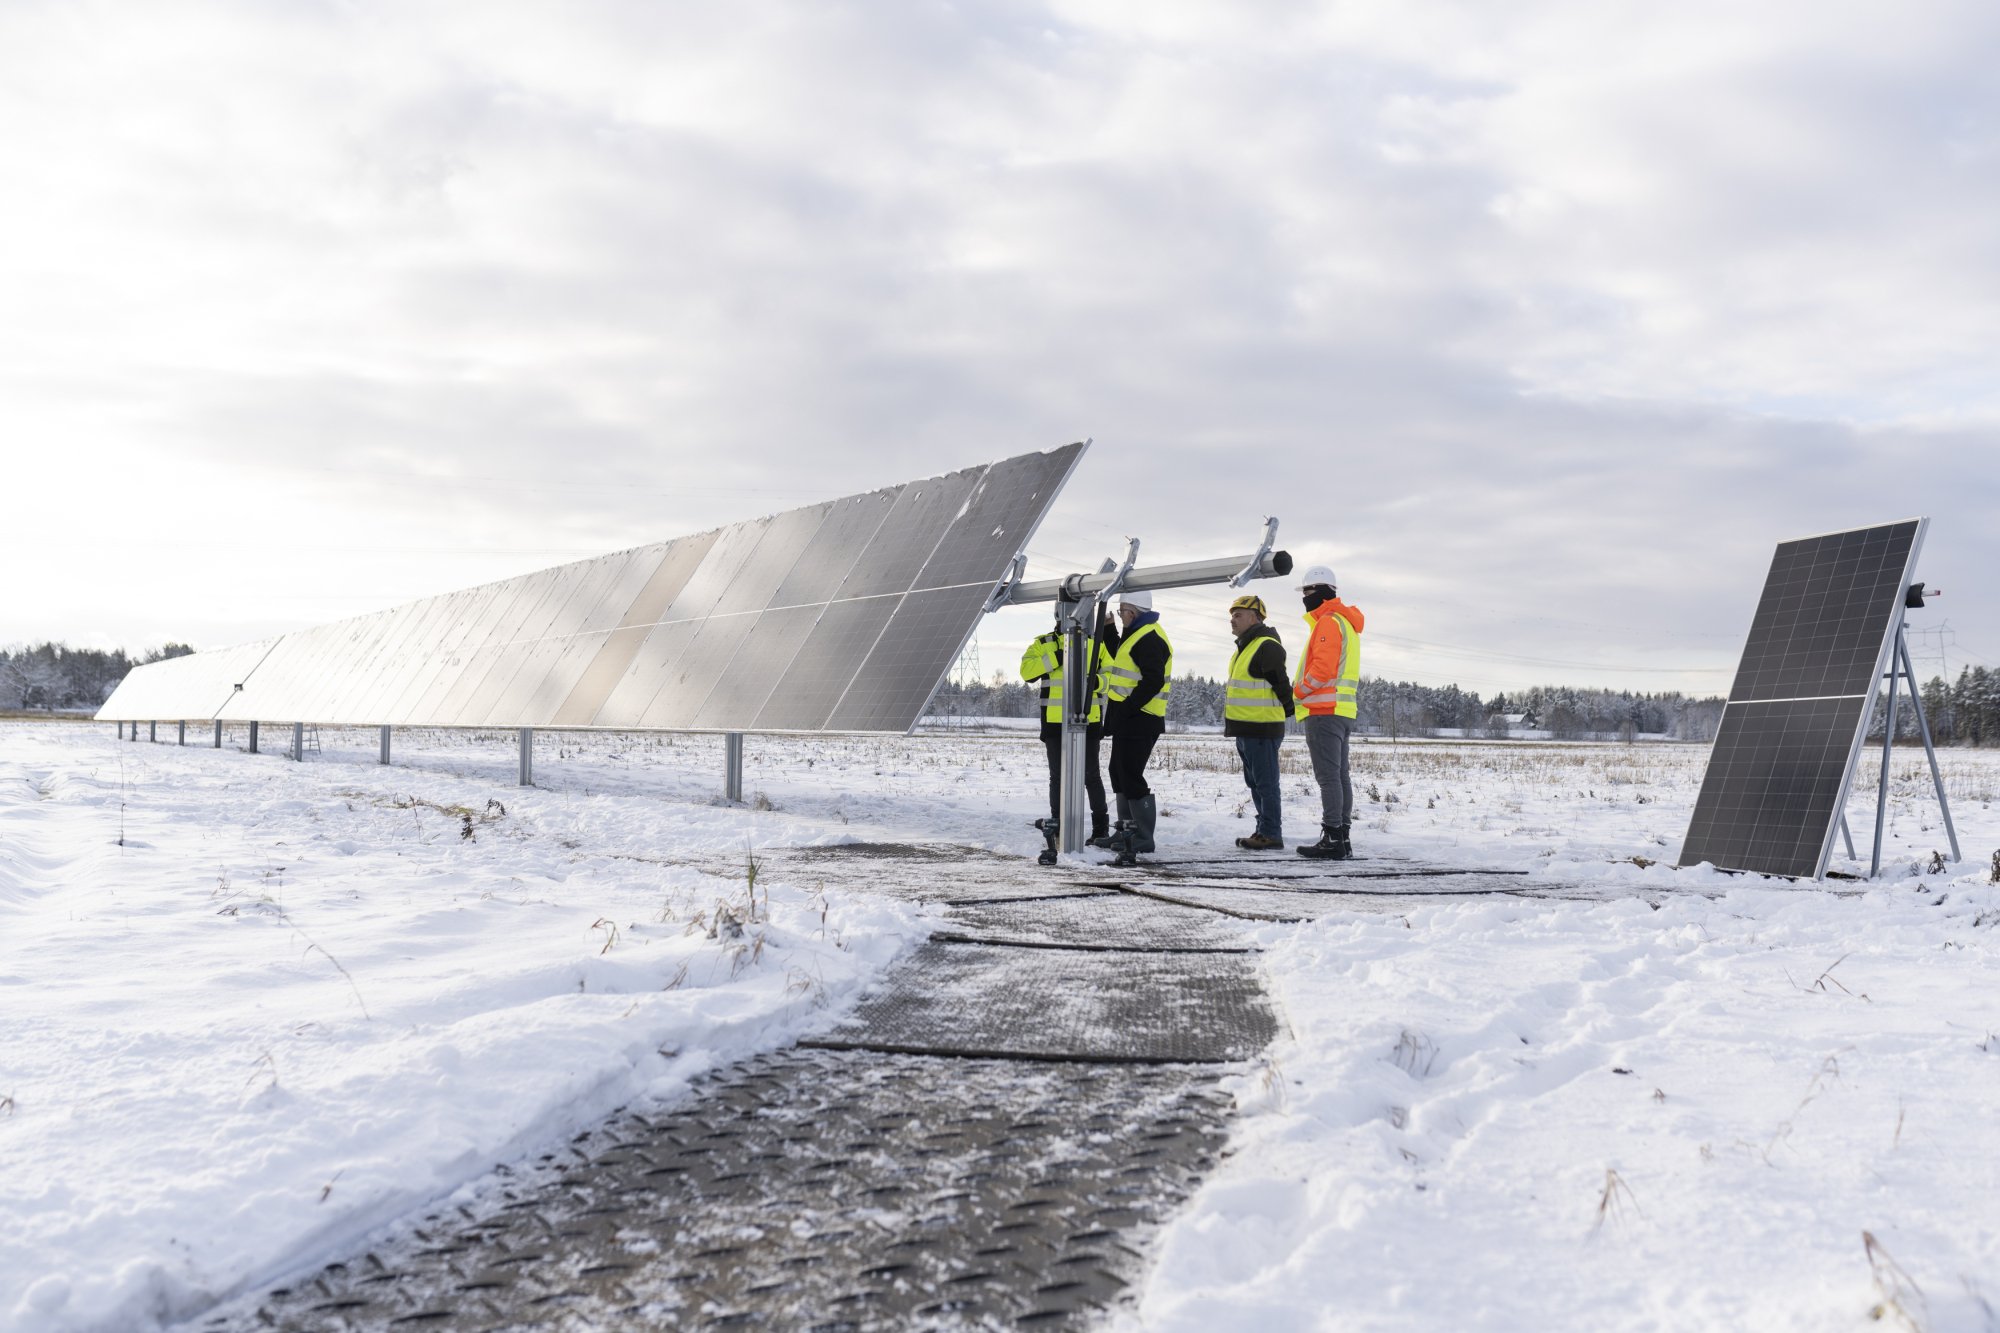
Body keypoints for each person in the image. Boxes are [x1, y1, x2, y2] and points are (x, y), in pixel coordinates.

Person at [1292, 564, 1364, 860]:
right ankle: (1342, 837)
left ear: (1319, 592)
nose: (1304, 597)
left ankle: (1332, 838)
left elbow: (1322, 669)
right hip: (1342, 710)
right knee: (1340, 776)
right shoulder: (1345, 622)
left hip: (1324, 710)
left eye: (1307, 591)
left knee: (1329, 778)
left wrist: (1297, 691)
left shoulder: (1328, 622)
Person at [1018, 617, 1111, 843]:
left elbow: (1112, 676)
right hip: (1054, 721)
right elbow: (1026, 672)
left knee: (1091, 775)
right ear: (1059, 617)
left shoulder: (1096, 645)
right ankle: (1057, 825)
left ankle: (1101, 829)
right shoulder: (1045, 643)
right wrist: (1057, 658)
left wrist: (1095, 683)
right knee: (1058, 777)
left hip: (1088, 719)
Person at [1100, 589, 1173, 855]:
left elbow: (1152, 680)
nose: (1120, 617)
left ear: (1134, 611)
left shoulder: (1150, 637)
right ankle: (1125, 832)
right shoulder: (1136, 634)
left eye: (1121, 612)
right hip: (1128, 718)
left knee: (1130, 775)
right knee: (1118, 773)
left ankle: (1142, 836)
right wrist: (1108, 630)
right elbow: (1121, 659)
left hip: (1141, 718)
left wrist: (1128, 708)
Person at [1223, 594, 1295, 850]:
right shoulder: (1245, 646)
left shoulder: (1266, 645)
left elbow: (1280, 681)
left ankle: (1271, 833)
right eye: (1232, 615)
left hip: (1262, 728)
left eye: (1238, 614)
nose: (1232, 620)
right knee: (1256, 783)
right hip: (1246, 728)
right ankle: (1263, 829)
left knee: (1266, 784)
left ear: (1254, 617)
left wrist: (1287, 709)